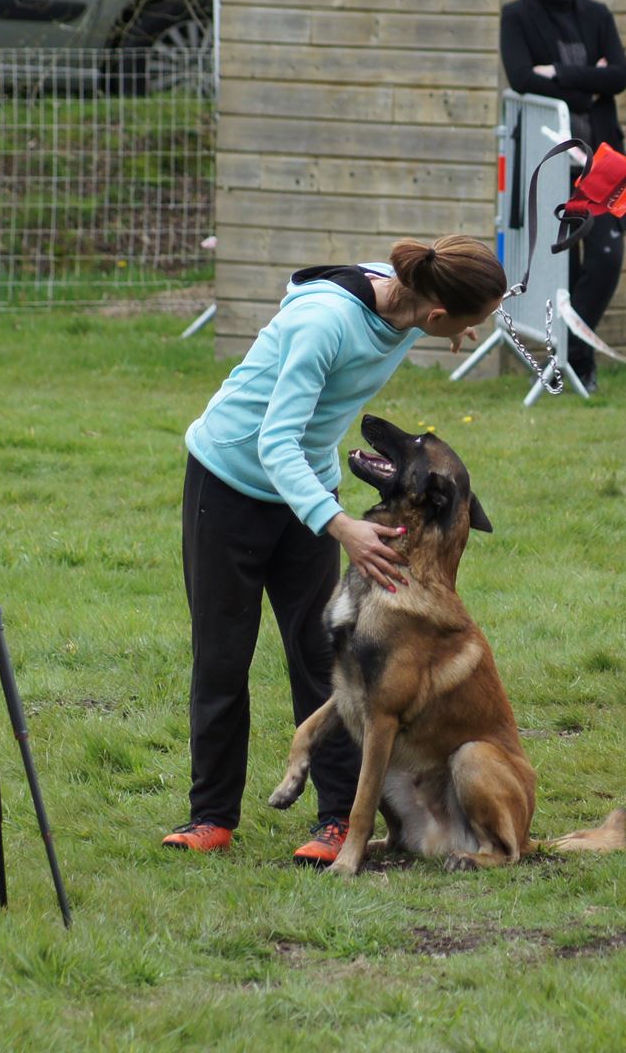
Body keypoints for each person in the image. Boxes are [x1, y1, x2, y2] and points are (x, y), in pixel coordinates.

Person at [164, 236, 508, 863]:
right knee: (222, 653)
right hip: (230, 483)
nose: (468, 338)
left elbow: (457, 284)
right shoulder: (324, 323)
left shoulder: (411, 304)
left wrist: (481, 304)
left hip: (308, 488)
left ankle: (334, 818)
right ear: (436, 317)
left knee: (326, 658)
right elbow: (275, 440)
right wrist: (341, 524)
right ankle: (211, 815)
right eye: (467, 329)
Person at [499, 0, 626, 395]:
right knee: (564, 268)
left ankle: (572, 353)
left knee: (606, 256)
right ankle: (577, 365)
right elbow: (520, 78)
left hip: (600, 164)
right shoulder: (515, 17)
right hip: (548, 165)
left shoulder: (596, 15)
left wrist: (557, 72)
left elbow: (618, 75)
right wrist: (586, 81)